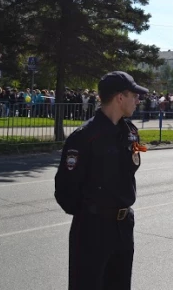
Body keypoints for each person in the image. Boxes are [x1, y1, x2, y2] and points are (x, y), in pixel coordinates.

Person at [54, 71, 149, 290]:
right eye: (134, 95)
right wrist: (91, 212)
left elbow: (130, 169)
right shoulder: (84, 137)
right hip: (92, 228)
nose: (138, 100)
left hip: (123, 225)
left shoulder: (131, 133)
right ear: (119, 98)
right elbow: (66, 190)